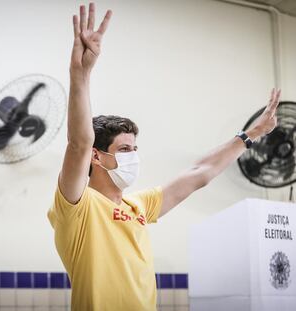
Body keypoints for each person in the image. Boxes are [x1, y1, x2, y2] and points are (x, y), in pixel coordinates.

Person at [47, 3, 281, 311]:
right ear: (97, 157)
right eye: (124, 150)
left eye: (135, 149)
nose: (133, 157)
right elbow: (78, 143)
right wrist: (81, 73)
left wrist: (251, 134)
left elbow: (200, 172)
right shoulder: (76, 206)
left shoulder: (139, 205)